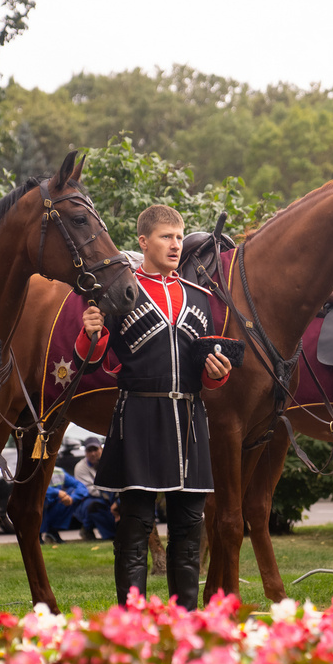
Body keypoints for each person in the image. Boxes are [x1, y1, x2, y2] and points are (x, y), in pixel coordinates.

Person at [77, 205, 233, 609]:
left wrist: (217, 373)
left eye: (180, 237)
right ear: (144, 241)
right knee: (134, 528)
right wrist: (89, 334)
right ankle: (131, 623)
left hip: (190, 422)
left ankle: (186, 621)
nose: (176, 244)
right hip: (140, 416)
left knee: (189, 527)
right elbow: (91, 361)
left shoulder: (201, 300)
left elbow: (208, 372)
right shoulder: (119, 294)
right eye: (166, 237)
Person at [72, 436, 115, 540]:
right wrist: (108, 495)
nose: (93, 453)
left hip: (110, 494)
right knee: (92, 506)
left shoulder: (110, 462)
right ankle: (89, 529)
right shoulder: (80, 467)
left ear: (101, 449)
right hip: (92, 497)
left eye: (95, 449)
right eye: (89, 450)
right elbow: (89, 489)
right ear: (85, 452)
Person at [40, 467, 87, 545]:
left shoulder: (58, 472)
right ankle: (36, 535)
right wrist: (56, 492)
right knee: (39, 499)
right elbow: (35, 488)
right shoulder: (32, 472)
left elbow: (81, 486)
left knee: (71, 492)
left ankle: (53, 531)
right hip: (37, 505)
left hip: (52, 504)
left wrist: (72, 498)